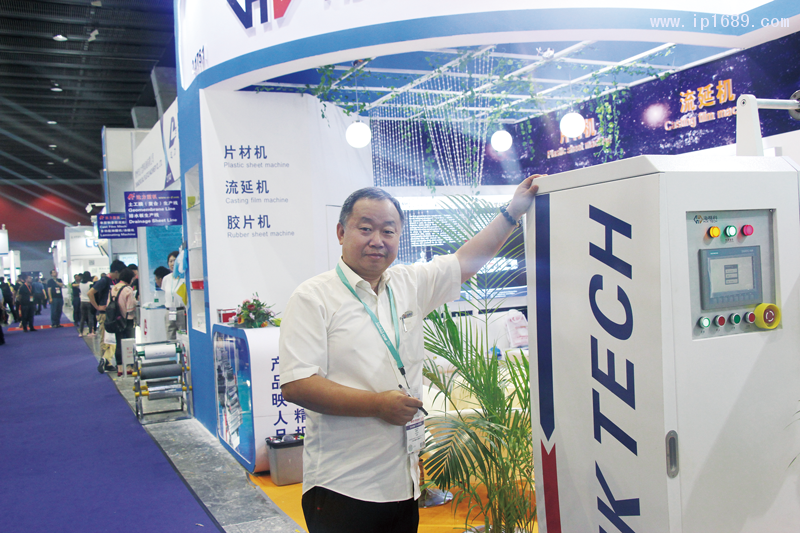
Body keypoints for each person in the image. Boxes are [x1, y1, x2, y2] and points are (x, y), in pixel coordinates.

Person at [279, 178, 540, 533]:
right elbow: (297, 385)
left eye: (388, 231)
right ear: (341, 232)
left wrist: (512, 213)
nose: (377, 240)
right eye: (365, 228)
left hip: (403, 485)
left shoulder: (408, 284)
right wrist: (376, 405)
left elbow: (465, 261)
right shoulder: (313, 298)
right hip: (343, 486)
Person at [88, 260, 126, 372]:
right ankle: (104, 361)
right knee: (105, 339)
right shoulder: (104, 280)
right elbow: (90, 293)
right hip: (104, 314)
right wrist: (97, 307)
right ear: (116, 272)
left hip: (113, 314)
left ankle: (107, 361)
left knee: (112, 339)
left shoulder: (116, 281)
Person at [109, 268, 137, 377]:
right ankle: (129, 366)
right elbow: (130, 308)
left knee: (119, 343)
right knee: (129, 343)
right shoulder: (128, 290)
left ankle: (120, 367)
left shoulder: (113, 288)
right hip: (127, 320)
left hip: (115, 320)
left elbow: (108, 304)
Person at [160, 251, 185, 340]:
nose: (172, 263)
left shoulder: (184, 278)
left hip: (181, 311)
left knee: (183, 337)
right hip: (169, 311)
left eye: (175, 260)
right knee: (170, 337)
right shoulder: (166, 278)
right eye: (170, 261)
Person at [78, 272, 95, 337]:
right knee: (90, 317)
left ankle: (81, 332)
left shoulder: (80, 284)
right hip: (89, 301)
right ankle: (90, 332)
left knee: (82, 317)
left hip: (82, 301)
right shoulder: (90, 284)